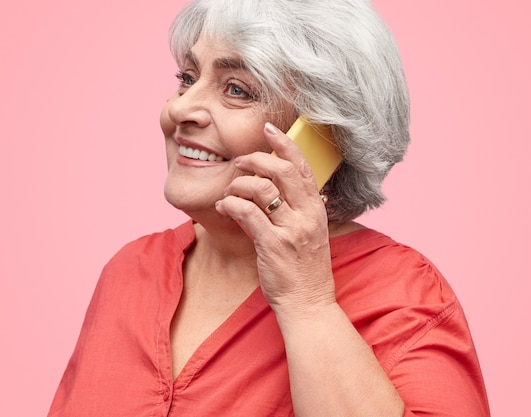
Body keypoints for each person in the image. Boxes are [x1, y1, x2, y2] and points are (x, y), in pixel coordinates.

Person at [48, 0, 490, 416]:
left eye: (236, 89)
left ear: (323, 139)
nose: (181, 108)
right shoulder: (131, 272)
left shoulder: (405, 297)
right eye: (187, 78)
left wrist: (308, 304)